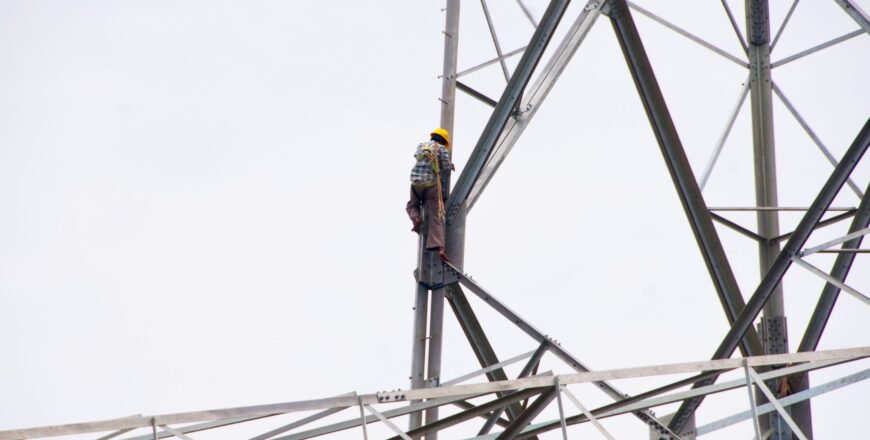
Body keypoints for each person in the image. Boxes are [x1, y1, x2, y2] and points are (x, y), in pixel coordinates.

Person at [406, 128, 454, 261]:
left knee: (411, 205)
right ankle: (440, 247)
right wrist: (450, 166)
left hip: (416, 183)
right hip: (431, 185)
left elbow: (416, 157)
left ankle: (415, 218)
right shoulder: (442, 149)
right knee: (436, 216)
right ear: (444, 141)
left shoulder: (421, 145)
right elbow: (444, 166)